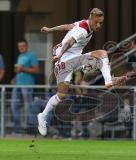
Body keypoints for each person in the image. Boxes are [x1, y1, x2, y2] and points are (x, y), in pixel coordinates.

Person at [37, 8, 126, 136]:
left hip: (73, 59)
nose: (99, 25)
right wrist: (60, 54)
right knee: (62, 95)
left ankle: (109, 80)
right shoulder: (83, 31)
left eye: (101, 23)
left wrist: (50, 29)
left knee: (101, 55)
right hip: (64, 61)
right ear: (91, 19)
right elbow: (70, 42)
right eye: (97, 22)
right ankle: (43, 116)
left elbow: (67, 26)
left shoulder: (83, 23)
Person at [11, 39, 39, 134]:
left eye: (23, 46)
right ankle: (17, 129)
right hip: (18, 85)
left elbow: (36, 70)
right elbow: (18, 71)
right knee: (14, 106)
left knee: (28, 107)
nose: (21, 48)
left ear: (27, 46)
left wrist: (22, 68)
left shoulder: (32, 55)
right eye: (19, 46)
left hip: (27, 85)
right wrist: (14, 79)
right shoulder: (20, 56)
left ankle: (30, 129)